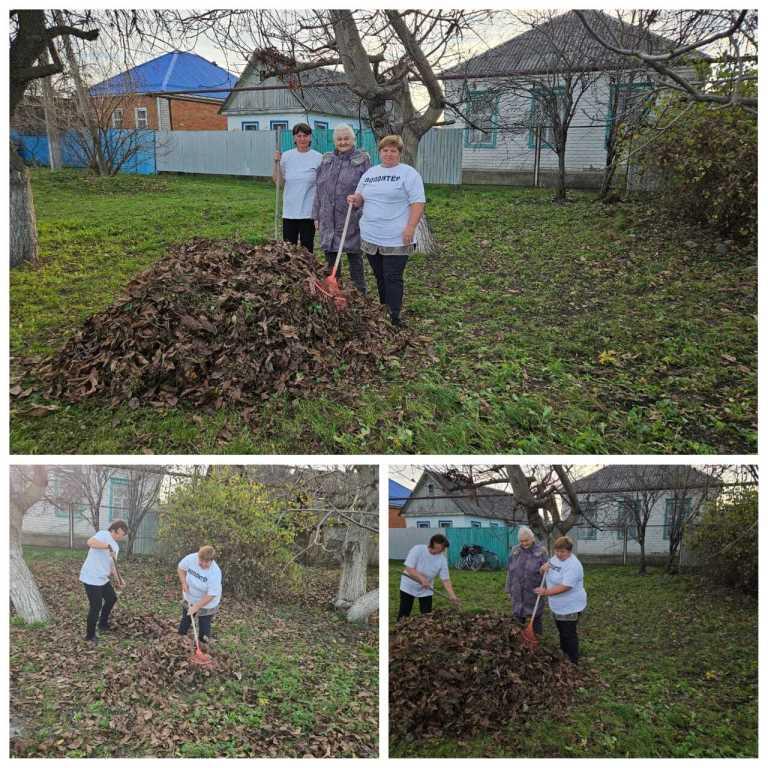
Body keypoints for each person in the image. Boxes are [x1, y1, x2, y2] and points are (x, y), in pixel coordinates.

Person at [347, 134, 426, 326]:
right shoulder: (370, 174)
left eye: (393, 150)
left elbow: (418, 202)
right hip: (371, 235)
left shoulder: (408, 174)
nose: (389, 154)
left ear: (399, 153)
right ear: (380, 152)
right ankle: (384, 309)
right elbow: (360, 198)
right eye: (385, 150)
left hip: (397, 236)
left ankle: (395, 316)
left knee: (393, 276)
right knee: (379, 275)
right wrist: (354, 200)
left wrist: (410, 227)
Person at [313, 123, 371, 293]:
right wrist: (316, 215)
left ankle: (359, 294)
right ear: (334, 141)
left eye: (346, 138)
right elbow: (319, 189)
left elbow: (368, 188)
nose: (343, 142)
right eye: (339, 139)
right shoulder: (326, 159)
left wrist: (362, 210)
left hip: (351, 217)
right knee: (331, 257)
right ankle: (334, 292)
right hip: (328, 217)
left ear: (353, 140)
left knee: (354, 257)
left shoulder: (362, 159)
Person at [535, 536, 587, 664]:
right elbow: (545, 571)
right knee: (561, 631)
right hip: (558, 604)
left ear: (569, 551)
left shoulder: (574, 565)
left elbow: (566, 586)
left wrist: (546, 592)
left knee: (568, 633)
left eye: (562, 551)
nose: (559, 554)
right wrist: (542, 569)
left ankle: (573, 660)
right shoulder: (554, 559)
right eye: (557, 551)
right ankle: (565, 655)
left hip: (570, 605)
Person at [272, 123, 323, 251]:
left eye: (305, 135)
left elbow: (323, 185)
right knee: (289, 248)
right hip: (289, 211)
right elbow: (278, 181)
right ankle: (291, 271)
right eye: (298, 136)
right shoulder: (286, 157)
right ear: (294, 138)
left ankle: (308, 270)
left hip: (308, 212)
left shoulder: (318, 158)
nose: (302, 139)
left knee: (307, 246)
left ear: (310, 137)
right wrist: (276, 162)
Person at [79, 519, 128, 644]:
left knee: (111, 598)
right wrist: (107, 546)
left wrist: (119, 580)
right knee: (96, 606)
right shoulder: (103, 535)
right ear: (113, 530)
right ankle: (90, 635)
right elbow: (90, 542)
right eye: (119, 533)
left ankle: (102, 624)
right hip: (91, 577)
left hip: (102, 578)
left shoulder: (116, 546)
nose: (120, 536)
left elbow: (113, 566)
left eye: (122, 535)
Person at [398, 534, 459, 620]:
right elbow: (409, 568)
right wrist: (422, 578)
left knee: (427, 615)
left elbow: (445, 580)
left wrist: (452, 595)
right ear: (435, 544)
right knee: (404, 612)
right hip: (408, 585)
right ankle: (399, 629)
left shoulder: (442, 560)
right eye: (442, 547)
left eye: (444, 548)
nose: (443, 550)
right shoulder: (418, 549)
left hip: (426, 589)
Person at [505, 525, 548, 636]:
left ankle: (538, 641)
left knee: (536, 618)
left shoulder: (541, 552)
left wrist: (546, 590)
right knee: (518, 618)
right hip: (517, 591)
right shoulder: (515, 551)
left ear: (532, 538)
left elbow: (547, 574)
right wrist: (508, 589)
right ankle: (519, 642)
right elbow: (510, 571)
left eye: (526, 540)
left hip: (533, 591)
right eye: (521, 541)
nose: (524, 543)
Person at [177, 545, 222, 643]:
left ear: (212, 561)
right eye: (201, 561)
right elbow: (181, 568)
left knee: (204, 622)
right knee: (186, 617)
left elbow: (211, 595)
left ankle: (203, 643)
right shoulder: (191, 558)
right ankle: (180, 639)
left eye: (206, 562)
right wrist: (184, 582)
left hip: (208, 602)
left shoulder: (215, 573)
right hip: (190, 595)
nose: (203, 564)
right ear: (198, 556)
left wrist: (196, 607)